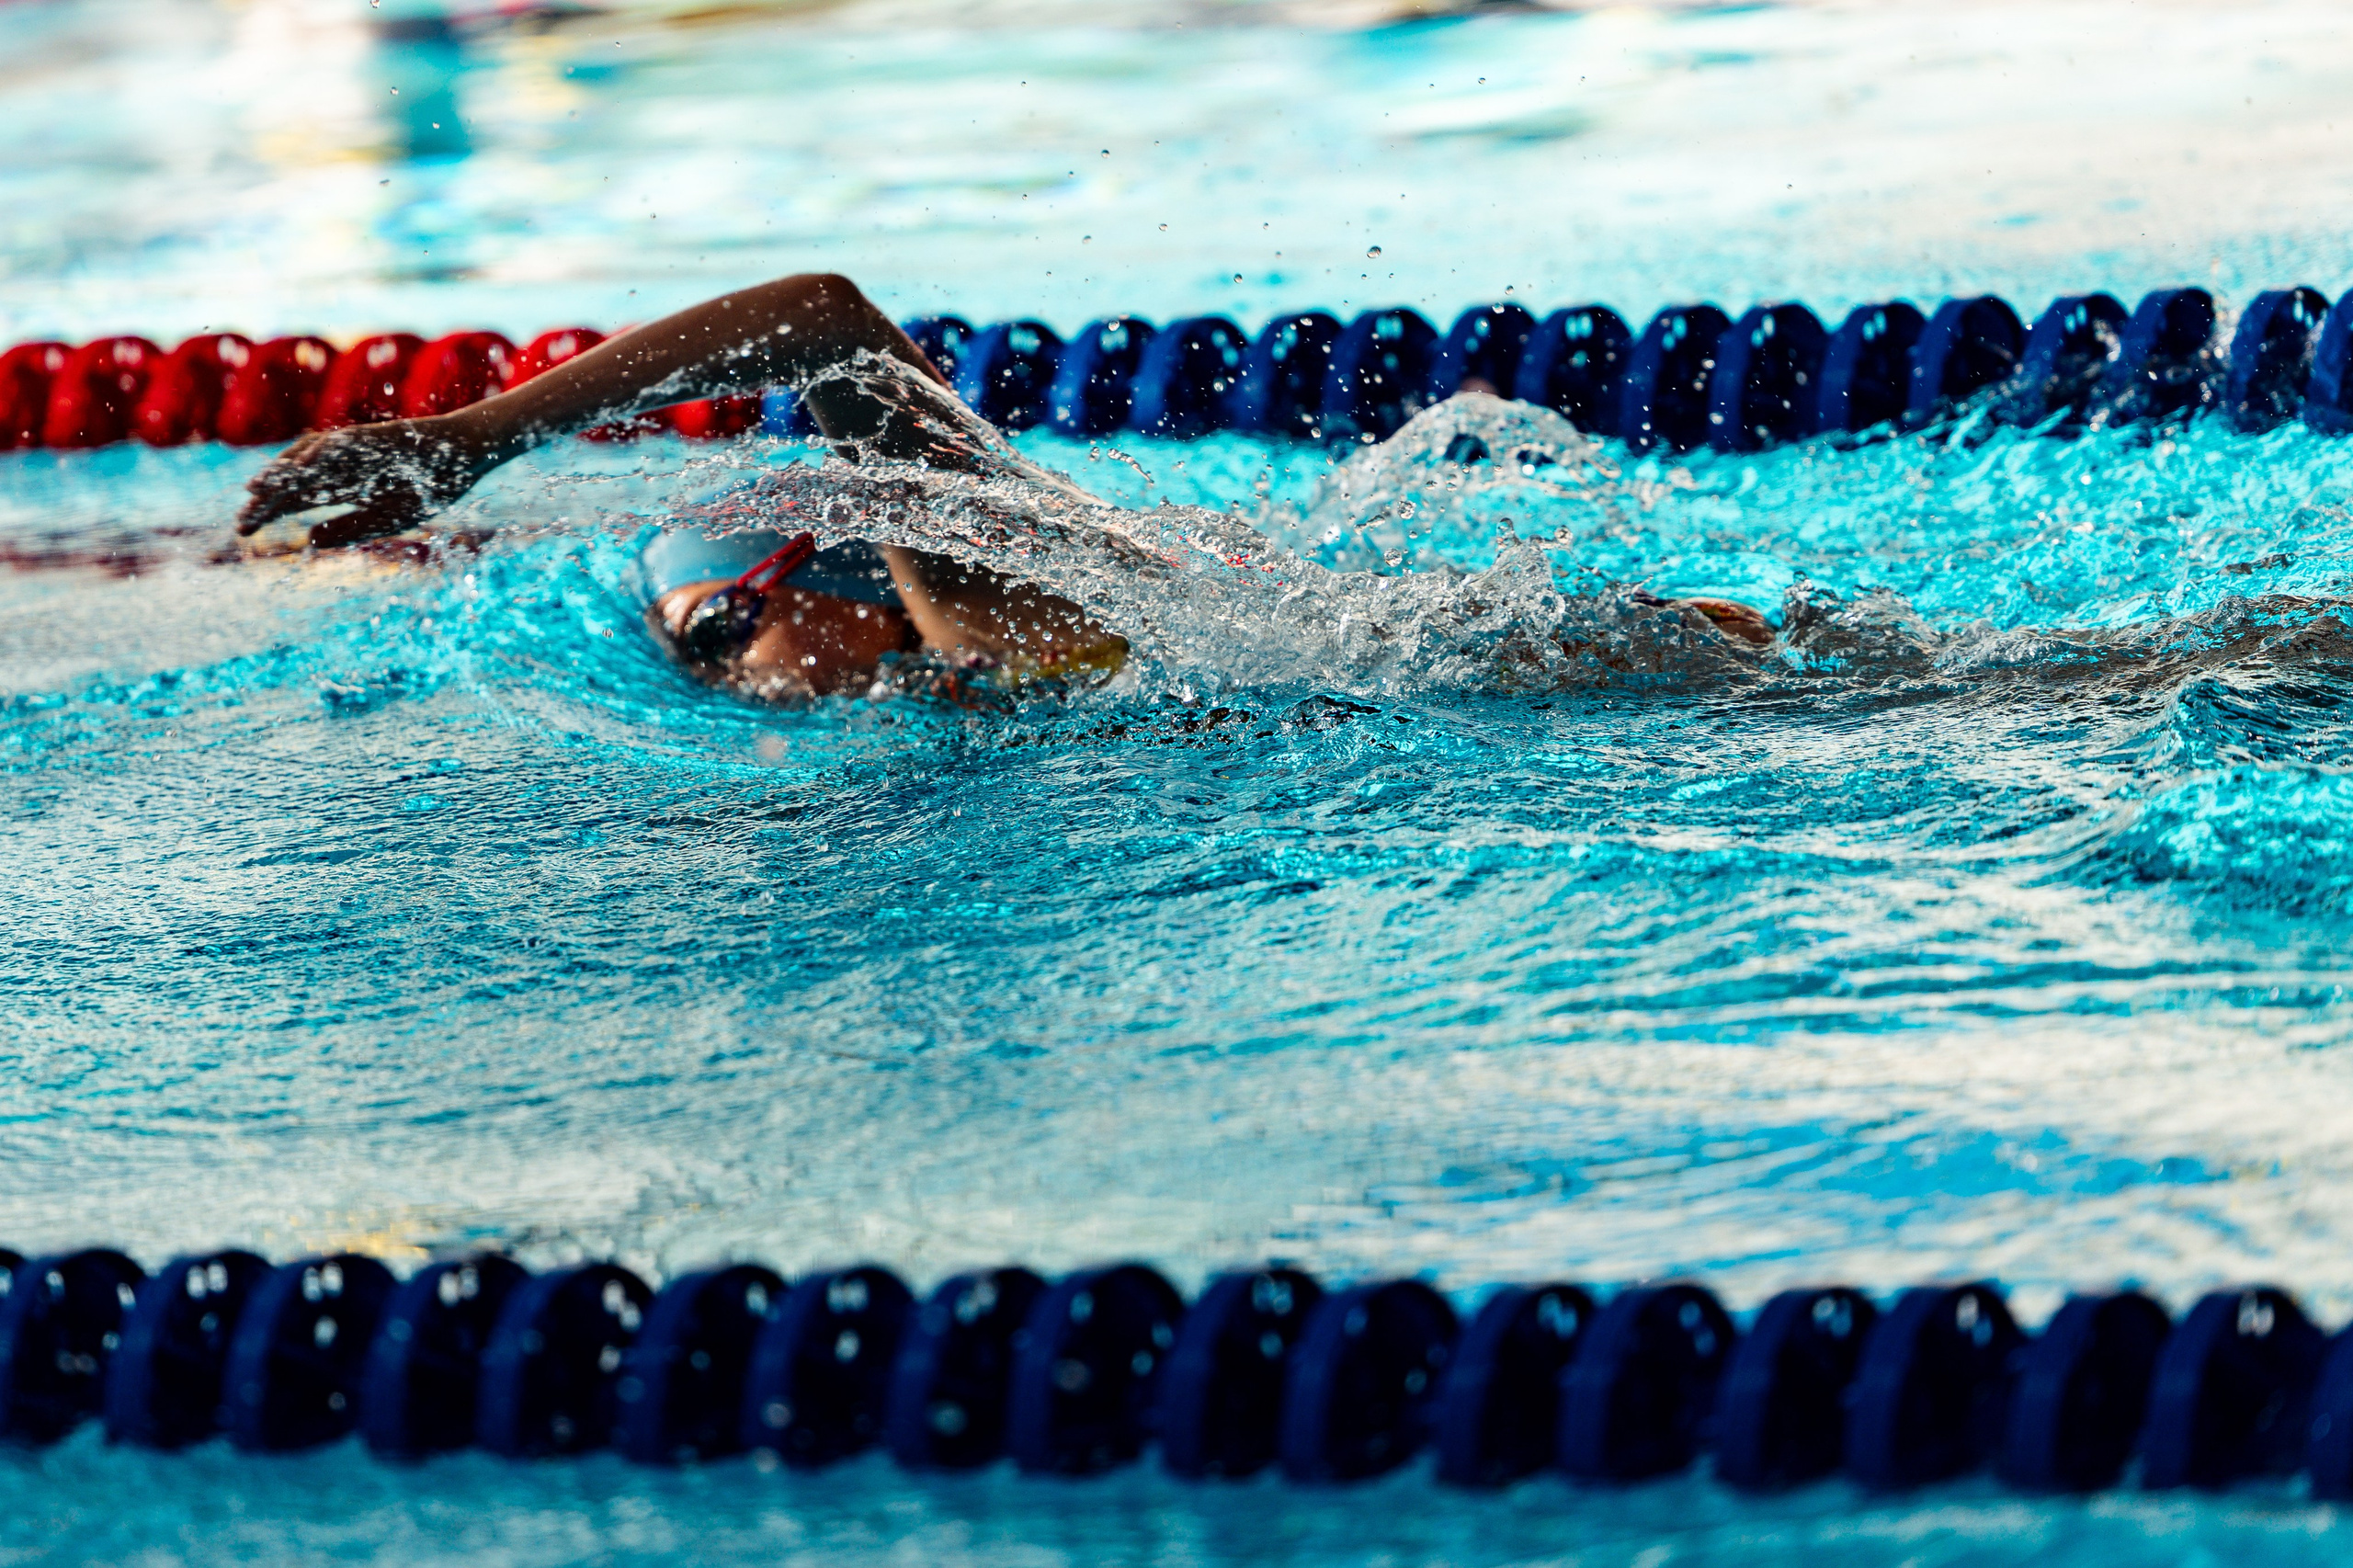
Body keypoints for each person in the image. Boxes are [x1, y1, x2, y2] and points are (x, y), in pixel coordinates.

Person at [237, 272, 1772, 699]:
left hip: (1672, 692)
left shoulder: (975, 594)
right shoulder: (1002, 648)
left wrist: (476, 439)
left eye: (718, 642)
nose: (734, 687)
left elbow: (819, 318)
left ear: (808, 576)